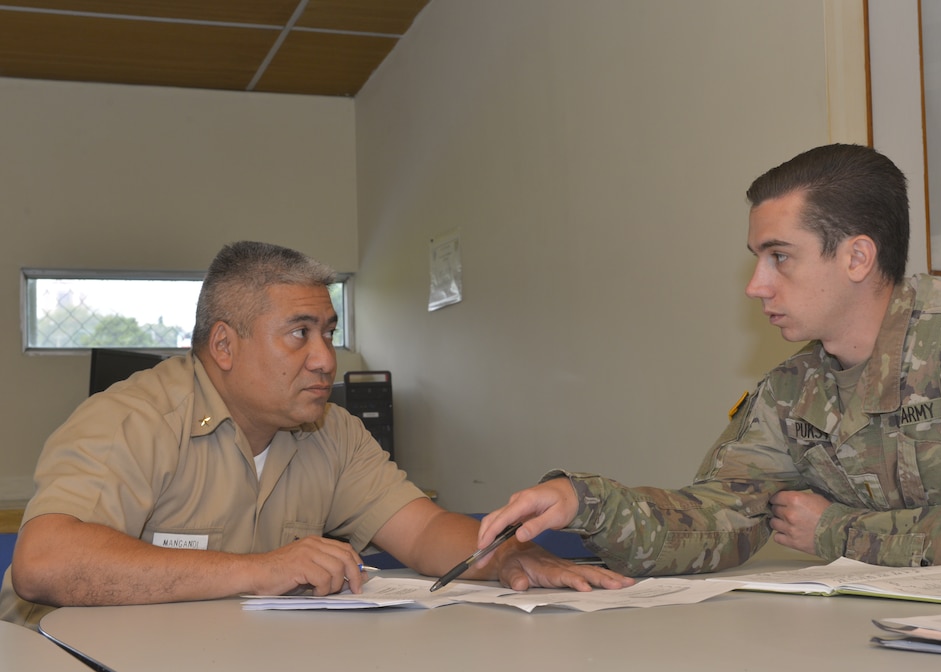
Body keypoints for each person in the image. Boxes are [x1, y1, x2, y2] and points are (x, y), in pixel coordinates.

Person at [478, 143, 941, 578]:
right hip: (904, 632)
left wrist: (833, 530)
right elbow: (717, 520)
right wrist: (586, 501)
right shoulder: (796, 389)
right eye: (756, 258)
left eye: (780, 257)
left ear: (856, 257)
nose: (756, 285)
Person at [1, 241, 632, 627]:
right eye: (299, 333)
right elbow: (43, 564)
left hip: (229, 670)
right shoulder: (132, 420)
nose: (326, 359)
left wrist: (510, 558)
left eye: (328, 332)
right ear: (224, 344)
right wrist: (256, 570)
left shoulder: (331, 430)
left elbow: (422, 530)